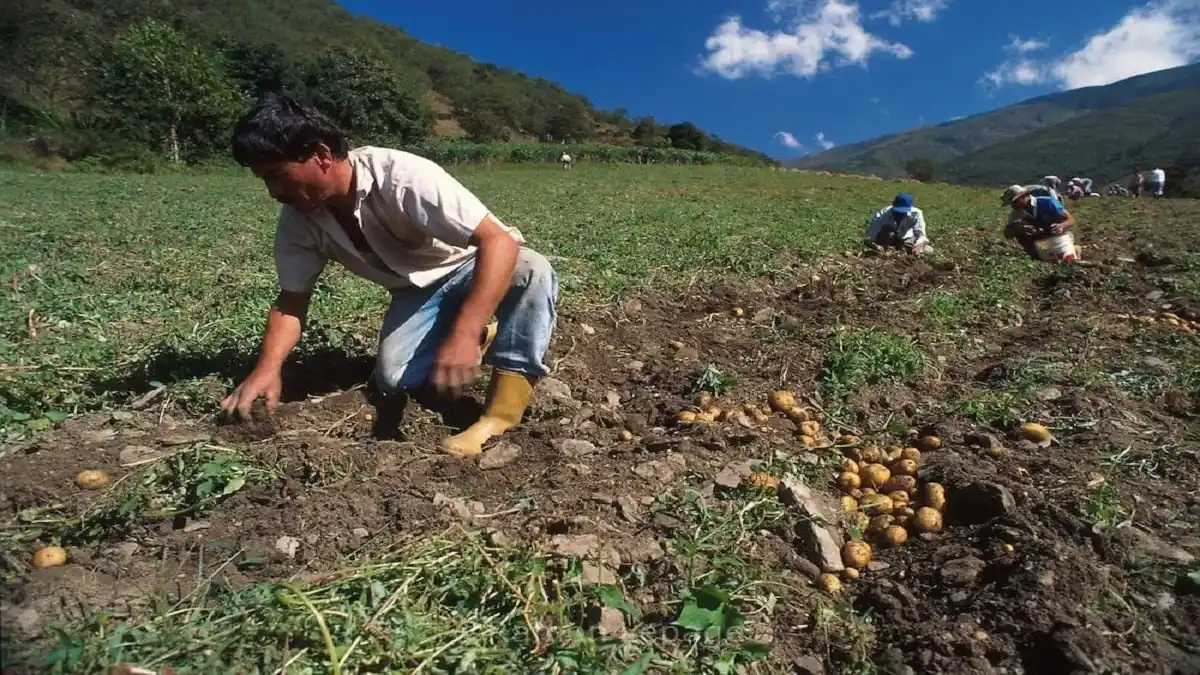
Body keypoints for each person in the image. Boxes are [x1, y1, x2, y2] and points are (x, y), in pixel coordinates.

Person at [219, 94, 559, 457]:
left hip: (469, 266)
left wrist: (461, 332)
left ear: (320, 155)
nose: (273, 192)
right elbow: (292, 300)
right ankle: (479, 335)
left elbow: (498, 241)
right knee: (396, 381)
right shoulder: (300, 221)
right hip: (416, 291)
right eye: (264, 180)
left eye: (277, 176)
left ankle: (500, 414)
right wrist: (266, 369)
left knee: (530, 269)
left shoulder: (401, 176)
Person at [1000, 184, 1077, 263]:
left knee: (1066, 258)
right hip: (1039, 241)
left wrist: (1061, 226)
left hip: (1058, 237)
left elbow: (1071, 219)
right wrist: (1018, 228)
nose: (1013, 206)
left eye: (1015, 202)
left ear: (1024, 196)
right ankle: (1035, 255)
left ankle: (1071, 249)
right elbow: (1007, 234)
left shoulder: (1047, 202)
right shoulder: (1016, 213)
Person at [864, 193, 931, 255]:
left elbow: (921, 233)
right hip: (888, 238)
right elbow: (872, 233)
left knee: (912, 247)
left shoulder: (916, 214)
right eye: (898, 211)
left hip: (906, 238)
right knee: (887, 232)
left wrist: (917, 245)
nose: (900, 213)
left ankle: (908, 248)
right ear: (893, 206)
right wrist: (875, 245)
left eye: (903, 211)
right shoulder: (883, 214)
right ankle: (887, 248)